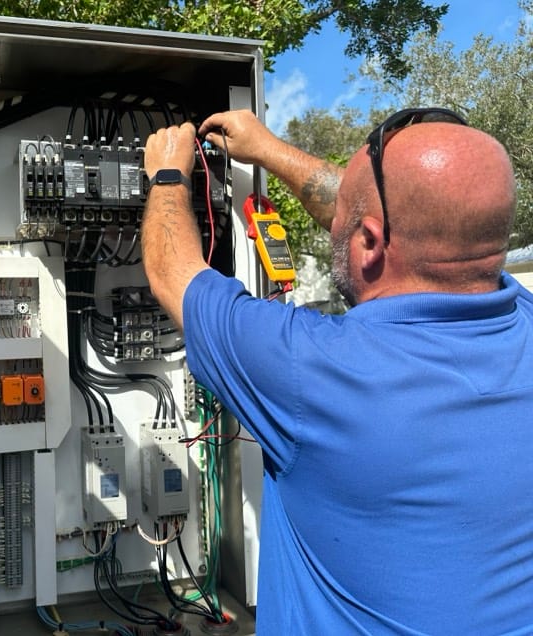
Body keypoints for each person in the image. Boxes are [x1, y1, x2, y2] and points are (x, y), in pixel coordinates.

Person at [141, 108, 533, 635]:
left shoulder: (312, 370)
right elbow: (388, 225)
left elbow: (174, 273)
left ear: (368, 241)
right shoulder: (523, 319)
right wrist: (267, 148)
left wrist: (167, 175)